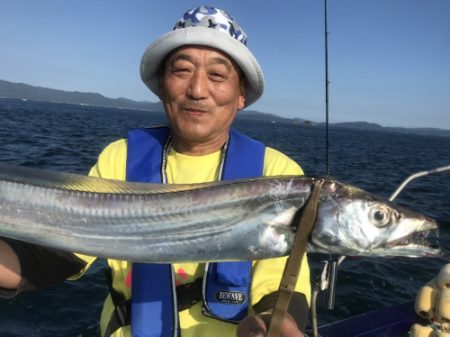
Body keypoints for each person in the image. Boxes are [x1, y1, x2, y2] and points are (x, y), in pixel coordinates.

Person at [0, 6, 311, 337]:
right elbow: (59, 253)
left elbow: (282, 282)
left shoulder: (276, 173)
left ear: (240, 95)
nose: (197, 90)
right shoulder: (120, 158)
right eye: (181, 71)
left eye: (217, 76)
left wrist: (276, 324)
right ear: (163, 85)